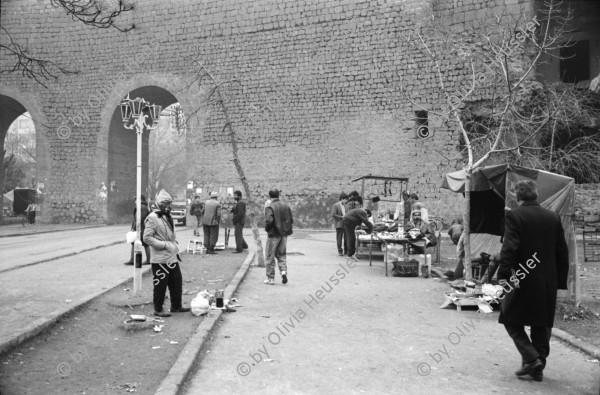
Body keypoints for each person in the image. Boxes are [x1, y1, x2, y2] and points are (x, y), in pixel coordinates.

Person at [497, 180, 569, 382]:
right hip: (547, 280)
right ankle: (537, 368)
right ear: (537, 195)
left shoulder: (514, 215)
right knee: (541, 324)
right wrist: (560, 281)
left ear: (517, 197)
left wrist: (504, 275)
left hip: (520, 278)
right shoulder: (553, 217)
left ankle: (531, 359)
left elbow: (509, 248)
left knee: (509, 318)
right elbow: (562, 251)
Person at [143, 189, 190, 317]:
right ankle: (158, 309)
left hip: (172, 256)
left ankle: (176, 306)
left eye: (169, 203)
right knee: (160, 285)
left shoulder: (168, 216)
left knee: (176, 282)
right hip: (160, 259)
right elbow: (146, 238)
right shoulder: (152, 218)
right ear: (159, 203)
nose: (168, 206)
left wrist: (173, 245)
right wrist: (164, 245)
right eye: (165, 203)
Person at [264, 189, 294, 285]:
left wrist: (267, 229)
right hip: (283, 234)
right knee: (281, 255)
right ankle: (283, 272)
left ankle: (270, 278)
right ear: (278, 195)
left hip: (273, 234)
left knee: (270, 256)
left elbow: (269, 221)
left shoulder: (270, 206)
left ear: (270, 196)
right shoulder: (286, 205)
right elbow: (291, 220)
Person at [124, 195, 151, 265]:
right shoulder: (142, 207)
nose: (135, 201)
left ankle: (147, 260)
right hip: (141, 228)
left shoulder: (142, 207)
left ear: (141, 200)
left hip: (141, 229)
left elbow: (140, 219)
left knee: (144, 244)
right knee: (138, 243)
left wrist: (135, 227)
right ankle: (134, 259)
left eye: (136, 200)